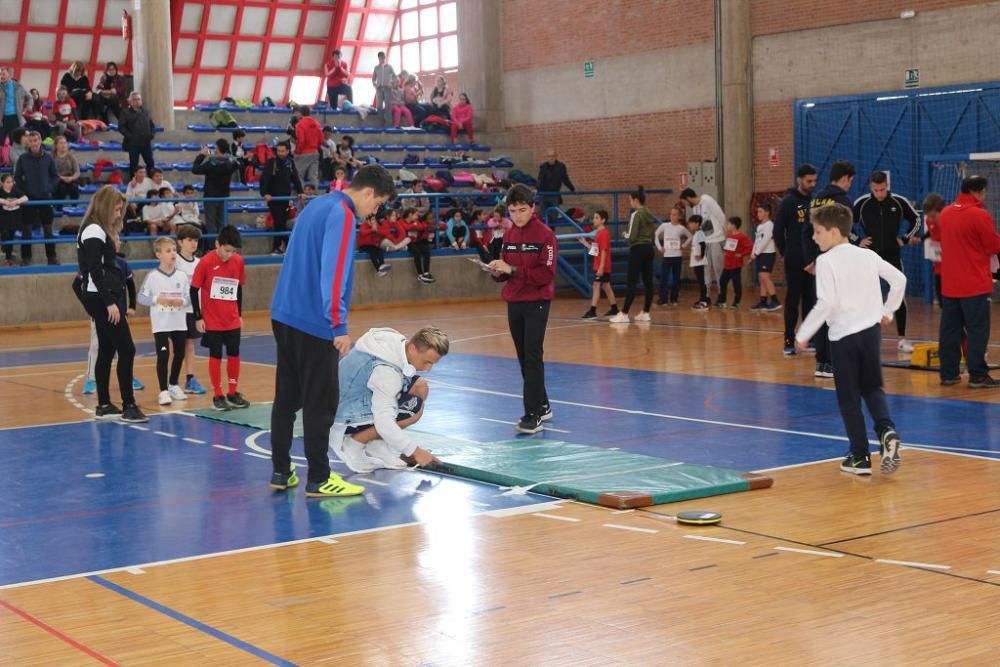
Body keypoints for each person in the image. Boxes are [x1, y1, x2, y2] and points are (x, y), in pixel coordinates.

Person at [269, 164, 395, 497]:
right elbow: (334, 272)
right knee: (320, 402)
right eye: (378, 203)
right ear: (368, 193)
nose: (374, 211)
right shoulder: (342, 215)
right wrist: (338, 324)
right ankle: (320, 478)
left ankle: (281, 471)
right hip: (315, 322)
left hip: (284, 313)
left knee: (286, 398)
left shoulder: (317, 205)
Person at [795, 203, 905, 475]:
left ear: (833, 232)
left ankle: (860, 457)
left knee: (848, 398)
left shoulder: (826, 261)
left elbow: (827, 302)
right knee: (872, 388)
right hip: (870, 333)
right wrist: (888, 311)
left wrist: (803, 334)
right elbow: (899, 279)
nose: (813, 237)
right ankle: (887, 431)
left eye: (817, 232)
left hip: (843, 337)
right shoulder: (866, 255)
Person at [488, 183, 557, 434]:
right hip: (514, 302)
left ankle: (533, 414)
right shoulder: (509, 235)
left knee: (532, 356)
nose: (517, 216)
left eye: (522, 210)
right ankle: (543, 403)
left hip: (537, 301)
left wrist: (513, 270)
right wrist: (497, 272)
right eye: (513, 211)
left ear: (533, 207)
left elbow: (546, 274)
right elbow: (506, 271)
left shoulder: (545, 235)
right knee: (523, 357)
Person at [74, 185, 147, 422]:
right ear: (106, 206)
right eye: (116, 210)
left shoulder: (96, 229)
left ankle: (104, 404)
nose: (118, 215)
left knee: (107, 349)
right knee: (127, 348)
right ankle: (129, 405)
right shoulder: (93, 229)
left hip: (102, 296)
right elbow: (94, 268)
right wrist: (109, 302)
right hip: (101, 297)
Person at [330, 327, 447, 472]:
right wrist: (416, 452)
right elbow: (384, 422)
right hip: (341, 415)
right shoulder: (386, 373)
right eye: (426, 362)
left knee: (419, 387)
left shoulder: (392, 340)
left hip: (342, 398)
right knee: (413, 409)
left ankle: (376, 443)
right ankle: (354, 443)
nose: (429, 368)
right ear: (412, 348)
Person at [938, 175, 1000, 388]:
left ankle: (948, 374)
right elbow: (994, 246)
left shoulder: (945, 213)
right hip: (974, 284)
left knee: (950, 331)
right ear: (979, 191)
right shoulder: (979, 215)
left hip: (950, 284)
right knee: (976, 331)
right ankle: (978, 375)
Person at [853, 171, 921, 352]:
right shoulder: (862, 204)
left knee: (899, 293)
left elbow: (916, 220)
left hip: (892, 255)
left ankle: (902, 339)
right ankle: (867, 339)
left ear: (887, 186)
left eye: (882, 189)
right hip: (869, 256)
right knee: (867, 297)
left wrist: (905, 239)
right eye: (876, 190)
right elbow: (845, 224)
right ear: (871, 187)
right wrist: (856, 240)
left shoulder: (898, 202)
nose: (880, 194)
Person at [190, 225, 249, 411]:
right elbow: (194, 290)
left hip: (231, 319)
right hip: (212, 320)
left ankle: (233, 391)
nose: (229, 255)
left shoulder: (238, 262)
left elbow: (238, 288)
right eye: (226, 250)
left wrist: (239, 314)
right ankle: (218, 394)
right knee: (215, 355)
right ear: (217, 244)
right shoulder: (206, 262)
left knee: (234, 353)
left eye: (232, 251)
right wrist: (198, 317)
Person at [808, 159, 856, 379]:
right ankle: (834, 363)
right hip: (838, 260)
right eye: (850, 181)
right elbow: (848, 232)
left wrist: (811, 259)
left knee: (823, 308)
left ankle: (821, 362)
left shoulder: (817, 199)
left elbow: (808, 230)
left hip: (819, 259)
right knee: (837, 312)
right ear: (845, 179)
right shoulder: (843, 201)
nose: (850, 186)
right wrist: (860, 242)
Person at [138, 237, 191, 406]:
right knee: (163, 355)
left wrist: (181, 302)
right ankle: (163, 391)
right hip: (161, 324)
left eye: (174, 250)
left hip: (178, 322)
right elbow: (142, 297)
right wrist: (156, 299)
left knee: (180, 353)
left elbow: (190, 297)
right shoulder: (153, 277)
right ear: (158, 254)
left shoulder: (182, 276)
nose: (173, 253)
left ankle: (173, 384)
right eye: (168, 251)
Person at [609, 186, 656, 324]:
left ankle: (624, 314)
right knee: (648, 281)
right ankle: (646, 312)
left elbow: (632, 236)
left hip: (638, 249)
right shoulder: (649, 213)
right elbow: (652, 232)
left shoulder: (636, 214)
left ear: (636, 200)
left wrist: (625, 235)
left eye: (630, 200)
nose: (629, 202)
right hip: (649, 248)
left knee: (631, 282)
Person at [15, 131, 60, 266]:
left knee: (48, 230)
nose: (33, 143)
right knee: (26, 231)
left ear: (40, 141)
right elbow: (17, 178)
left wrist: (48, 188)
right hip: (29, 200)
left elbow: (55, 177)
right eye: (31, 140)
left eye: (36, 140)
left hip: (45, 199)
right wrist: (25, 193)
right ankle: (26, 258)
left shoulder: (48, 158)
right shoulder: (22, 159)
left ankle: (51, 258)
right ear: (28, 142)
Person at [174, 225, 207, 395]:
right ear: (180, 242)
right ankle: (171, 382)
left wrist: (201, 311)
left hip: (192, 310)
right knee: (175, 347)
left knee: (189, 344)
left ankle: (190, 379)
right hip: (176, 311)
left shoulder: (199, 263)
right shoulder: (174, 262)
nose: (193, 244)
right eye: (189, 240)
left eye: (195, 240)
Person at [679, 188, 727, 303]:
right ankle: (706, 297)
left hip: (716, 239)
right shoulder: (695, 208)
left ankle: (722, 296)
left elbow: (721, 217)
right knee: (706, 270)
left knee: (718, 270)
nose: (685, 204)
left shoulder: (707, 200)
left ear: (688, 198)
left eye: (685, 202)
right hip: (705, 242)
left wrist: (725, 239)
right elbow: (698, 227)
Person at [259, 141, 305, 254]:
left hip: (285, 199)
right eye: (279, 151)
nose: (280, 153)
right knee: (278, 222)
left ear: (288, 151)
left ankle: (281, 247)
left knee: (282, 223)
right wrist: (265, 193)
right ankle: (284, 246)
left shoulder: (290, 163)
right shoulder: (271, 163)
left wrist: (301, 192)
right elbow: (264, 180)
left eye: (283, 151)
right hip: (274, 200)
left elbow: (295, 178)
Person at [192, 139, 240, 235]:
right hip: (224, 196)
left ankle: (212, 247)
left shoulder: (211, 164)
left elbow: (195, 169)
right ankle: (221, 246)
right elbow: (237, 162)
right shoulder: (230, 163)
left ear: (217, 149)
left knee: (211, 224)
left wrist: (202, 155)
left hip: (210, 197)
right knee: (222, 223)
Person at [579, 209, 619, 319]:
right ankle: (614, 309)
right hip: (599, 265)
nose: (594, 220)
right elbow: (596, 251)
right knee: (606, 286)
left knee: (596, 285)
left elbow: (604, 251)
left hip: (603, 266)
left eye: (597, 218)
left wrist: (601, 267)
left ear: (603, 220)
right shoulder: (598, 234)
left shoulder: (604, 234)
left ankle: (592, 311)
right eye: (594, 217)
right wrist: (585, 243)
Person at [654, 204, 691, 306]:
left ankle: (674, 299)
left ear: (679, 216)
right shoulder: (664, 226)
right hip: (666, 256)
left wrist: (683, 245)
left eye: (674, 215)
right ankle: (663, 299)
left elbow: (690, 236)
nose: (672, 216)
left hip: (677, 256)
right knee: (664, 278)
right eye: (671, 214)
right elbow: (656, 235)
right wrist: (659, 247)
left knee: (676, 278)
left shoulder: (681, 228)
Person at [750, 203, 781, 312]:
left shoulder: (769, 225)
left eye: (760, 211)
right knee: (761, 278)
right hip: (760, 254)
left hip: (768, 254)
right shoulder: (759, 226)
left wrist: (756, 253)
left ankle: (775, 301)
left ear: (767, 212)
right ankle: (763, 302)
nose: (758, 214)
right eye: (757, 211)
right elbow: (757, 241)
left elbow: (765, 241)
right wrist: (753, 253)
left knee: (765, 277)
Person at [717, 216, 753, 309]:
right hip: (727, 265)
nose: (727, 226)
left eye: (728, 224)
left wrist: (741, 254)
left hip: (735, 265)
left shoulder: (741, 236)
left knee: (736, 283)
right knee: (722, 281)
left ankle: (736, 302)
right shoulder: (729, 236)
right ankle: (723, 301)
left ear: (733, 225)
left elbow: (750, 246)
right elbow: (730, 247)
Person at [119, 92, 155, 178]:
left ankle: (150, 180)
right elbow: (121, 127)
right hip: (133, 143)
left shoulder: (146, 112)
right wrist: (131, 136)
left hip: (146, 142)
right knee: (134, 164)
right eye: (134, 99)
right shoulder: (125, 112)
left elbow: (151, 125)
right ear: (130, 101)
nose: (137, 101)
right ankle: (133, 181)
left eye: (138, 99)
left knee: (150, 162)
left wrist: (151, 134)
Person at [536, 150, 575, 224]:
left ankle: (552, 232)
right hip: (544, 194)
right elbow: (539, 179)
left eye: (553, 156)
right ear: (547, 157)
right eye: (549, 156)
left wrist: (572, 188)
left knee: (554, 216)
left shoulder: (561, 166)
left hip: (554, 194)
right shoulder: (543, 166)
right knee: (543, 216)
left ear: (556, 157)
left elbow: (565, 178)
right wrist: (537, 189)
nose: (551, 158)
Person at [922, 193, 945, 305]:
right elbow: (930, 232)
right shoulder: (929, 221)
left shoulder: (949, 222)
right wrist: (921, 238)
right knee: (941, 299)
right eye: (928, 216)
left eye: (933, 216)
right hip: (938, 264)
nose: (931, 219)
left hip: (951, 267)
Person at [0, 173, 27, 267]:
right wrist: (5, 201)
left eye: (11, 182)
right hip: (3, 220)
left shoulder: (16, 190)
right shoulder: (1, 191)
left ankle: (8, 258)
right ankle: (5, 252)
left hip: (14, 219)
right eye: (7, 182)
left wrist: (15, 202)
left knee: (11, 238)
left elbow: (25, 198)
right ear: (2, 183)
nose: (10, 184)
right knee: (5, 235)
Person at [0, 67, 31, 146]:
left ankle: (11, 157)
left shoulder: (18, 86)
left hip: (15, 117)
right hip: (2, 118)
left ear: (10, 75)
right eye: (0, 74)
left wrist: (28, 107)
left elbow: (29, 97)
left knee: (13, 141)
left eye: (3, 74)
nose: (1, 76)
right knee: (0, 140)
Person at [293, 105, 323, 185]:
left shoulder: (300, 124)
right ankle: (314, 194)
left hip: (304, 152)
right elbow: (321, 139)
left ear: (300, 113)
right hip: (315, 152)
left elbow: (301, 140)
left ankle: (301, 194)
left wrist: (297, 152)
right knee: (313, 176)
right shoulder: (316, 123)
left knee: (298, 174)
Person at [686, 214, 710, 310]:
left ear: (697, 223)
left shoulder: (700, 233)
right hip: (696, 261)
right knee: (700, 282)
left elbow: (703, 245)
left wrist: (702, 255)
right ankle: (702, 298)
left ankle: (704, 301)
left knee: (701, 282)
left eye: (691, 223)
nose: (690, 225)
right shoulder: (696, 233)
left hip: (700, 261)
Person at [406, 208, 434, 283]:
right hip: (408, 242)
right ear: (410, 215)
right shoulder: (404, 221)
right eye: (415, 214)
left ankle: (426, 273)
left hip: (416, 241)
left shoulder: (417, 221)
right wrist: (414, 226)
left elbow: (421, 227)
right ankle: (420, 275)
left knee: (426, 250)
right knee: (417, 253)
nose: (417, 216)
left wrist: (416, 225)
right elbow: (408, 228)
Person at [52, 136, 82, 206]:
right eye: (61, 143)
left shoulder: (71, 156)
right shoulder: (52, 157)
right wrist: (61, 178)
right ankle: (58, 208)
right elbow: (51, 172)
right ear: (56, 145)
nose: (64, 145)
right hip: (58, 179)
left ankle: (74, 208)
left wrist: (71, 178)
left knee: (74, 187)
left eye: (65, 143)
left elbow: (77, 171)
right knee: (62, 188)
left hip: (70, 178)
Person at [372, 51, 396, 126]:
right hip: (379, 89)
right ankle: (380, 123)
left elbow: (395, 77)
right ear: (378, 58)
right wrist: (375, 85)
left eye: (383, 57)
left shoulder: (389, 67)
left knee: (388, 106)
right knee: (379, 106)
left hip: (387, 89)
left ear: (385, 58)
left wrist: (391, 84)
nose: (382, 59)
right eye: (380, 57)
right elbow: (373, 79)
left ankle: (388, 124)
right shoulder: (376, 68)